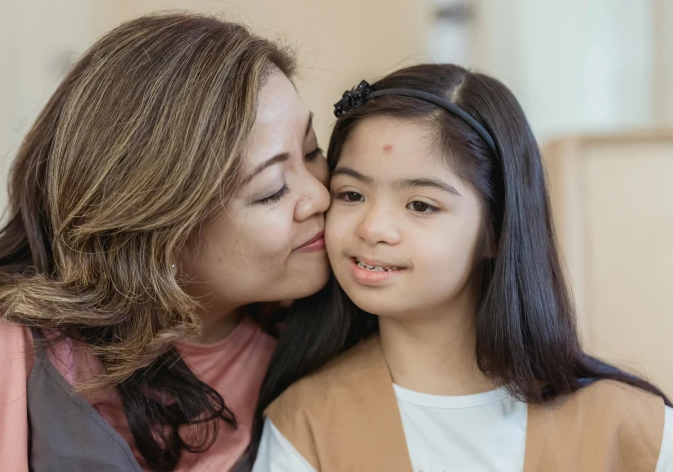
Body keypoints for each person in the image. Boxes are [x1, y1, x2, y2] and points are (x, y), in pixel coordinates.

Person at [0, 12, 330, 472]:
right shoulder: (4, 350)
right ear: (158, 228)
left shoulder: (321, 340)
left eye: (313, 151)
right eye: (272, 189)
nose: (320, 195)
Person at [248, 64, 673, 471]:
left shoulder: (634, 429)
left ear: (496, 231)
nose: (373, 228)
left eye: (421, 205)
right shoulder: (305, 423)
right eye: (351, 194)